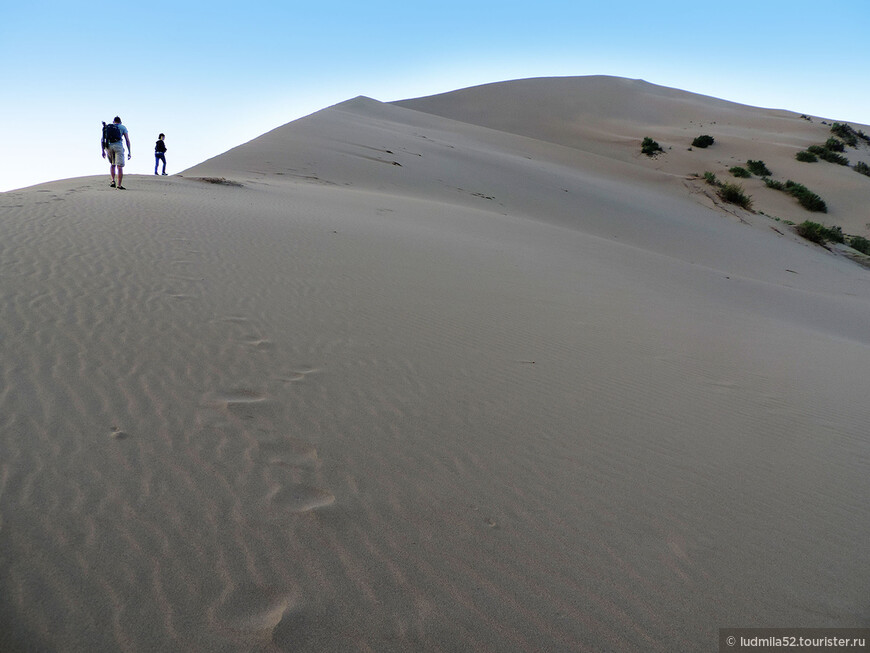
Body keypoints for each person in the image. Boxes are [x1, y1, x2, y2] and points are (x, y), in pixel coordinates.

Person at [101, 116, 131, 189]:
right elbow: (127, 140)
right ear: (120, 121)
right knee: (119, 166)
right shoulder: (123, 127)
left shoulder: (108, 127)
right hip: (118, 146)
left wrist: (103, 151)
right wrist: (129, 151)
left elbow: (102, 139)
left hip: (109, 147)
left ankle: (112, 181)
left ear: (113, 121)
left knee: (112, 164)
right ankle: (119, 185)